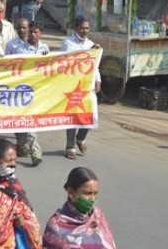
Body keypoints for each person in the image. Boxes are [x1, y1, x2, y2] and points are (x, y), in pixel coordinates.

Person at [43, 167, 117, 248]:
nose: (92, 199)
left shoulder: (97, 214)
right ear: (71, 192)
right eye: (87, 193)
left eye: (95, 193)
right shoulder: (55, 226)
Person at [60, 17, 101, 160]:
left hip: (87, 86)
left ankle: (81, 138)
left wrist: (98, 79)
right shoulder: (68, 43)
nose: (85, 31)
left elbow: (94, 65)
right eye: (82, 28)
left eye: (87, 28)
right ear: (76, 28)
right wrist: (89, 51)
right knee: (72, 116)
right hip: (72, 85)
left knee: (90, 114)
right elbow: (70, 60)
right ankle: (70, 147)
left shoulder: (91, 44)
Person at [15, 21, 49, 166]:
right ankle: (29, 148)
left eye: (36, 32)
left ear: (41, 33)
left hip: (39, 90)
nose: (33, 34)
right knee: (23, 120)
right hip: (23, 90)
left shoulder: (45, 48)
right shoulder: (20, 50)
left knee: (30, 121)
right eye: (31, 32)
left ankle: (30, 149)